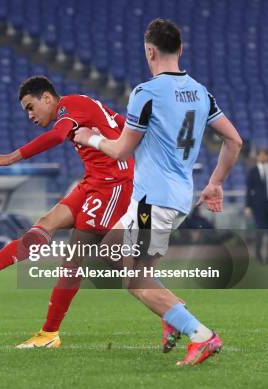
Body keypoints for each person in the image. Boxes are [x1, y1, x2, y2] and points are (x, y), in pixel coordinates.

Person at [74, 18, 242, 365]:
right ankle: (173, 316)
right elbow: (234, 140)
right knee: (110, 249)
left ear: (149, 50)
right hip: (175, 197)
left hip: (154, 200)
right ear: (179, 49)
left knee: (136, 282)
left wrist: (89, 137)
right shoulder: (199, 91)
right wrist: (216, 183)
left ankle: (201, 335)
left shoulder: (145, 92)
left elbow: (121, 150)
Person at [0, 75, 136, 348]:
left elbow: (57, 136)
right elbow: (125, 126)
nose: (30, 115)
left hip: (112, 186)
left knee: (75, 257)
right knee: (46, 224)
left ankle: (49, 334)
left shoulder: (70, 107)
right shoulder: (84, 108)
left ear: (47, 98)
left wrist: (10, 157)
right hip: (92, 182)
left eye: (31, 107)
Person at [245, 148, 268, 263]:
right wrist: (248, 206)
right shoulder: (252, 171)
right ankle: (258, 255)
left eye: (265, 155)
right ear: (257, 157)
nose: (263, 157)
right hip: (258, 206)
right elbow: (249, 190)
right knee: (260, 230)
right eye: (261, 155)